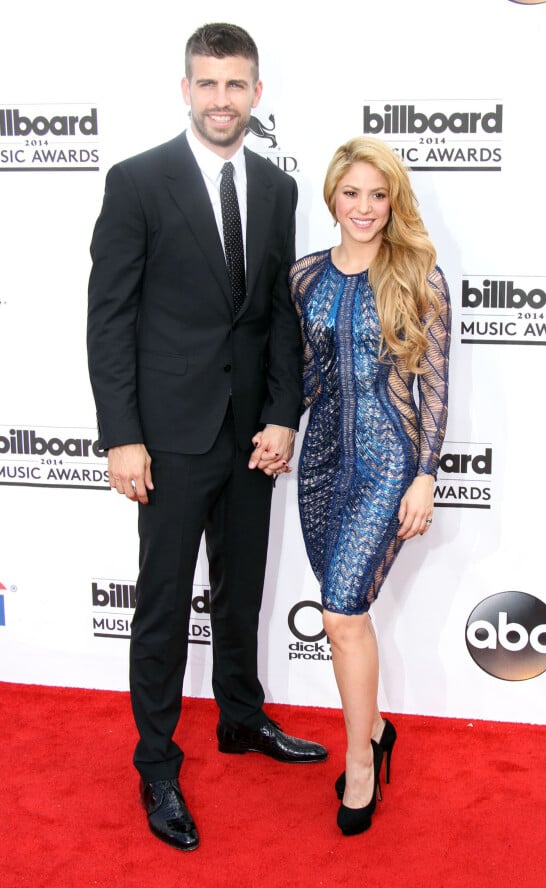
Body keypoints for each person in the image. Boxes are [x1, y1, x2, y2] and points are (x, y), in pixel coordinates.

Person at [87, 22, 327, 853]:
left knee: (242, 590)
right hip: (169, 435)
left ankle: (239, 718)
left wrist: (282, 414)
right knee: (160, 606)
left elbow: (279, 317)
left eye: (235, 85)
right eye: (206, 84)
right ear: (184, 90)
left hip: (251, 439)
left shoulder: (278, 186)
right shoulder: (137, 182)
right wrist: (122, 436)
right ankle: (156, 762)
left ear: (257, 94)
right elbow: (109, 319)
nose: (221, 100)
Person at [289, 137, 451, 836]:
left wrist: (425, 475)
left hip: (389, 461)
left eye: (377, 195)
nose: (363, 207)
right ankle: (377, 728)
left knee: (342, 612)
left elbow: (436, 385)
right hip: (320, 461)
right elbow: (302, 376)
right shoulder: (302, 278)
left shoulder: (419, 275)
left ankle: (360, 765)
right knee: (340, 616)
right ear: (332, 197)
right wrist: (274, 431)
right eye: (351, 193)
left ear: (393, 203)